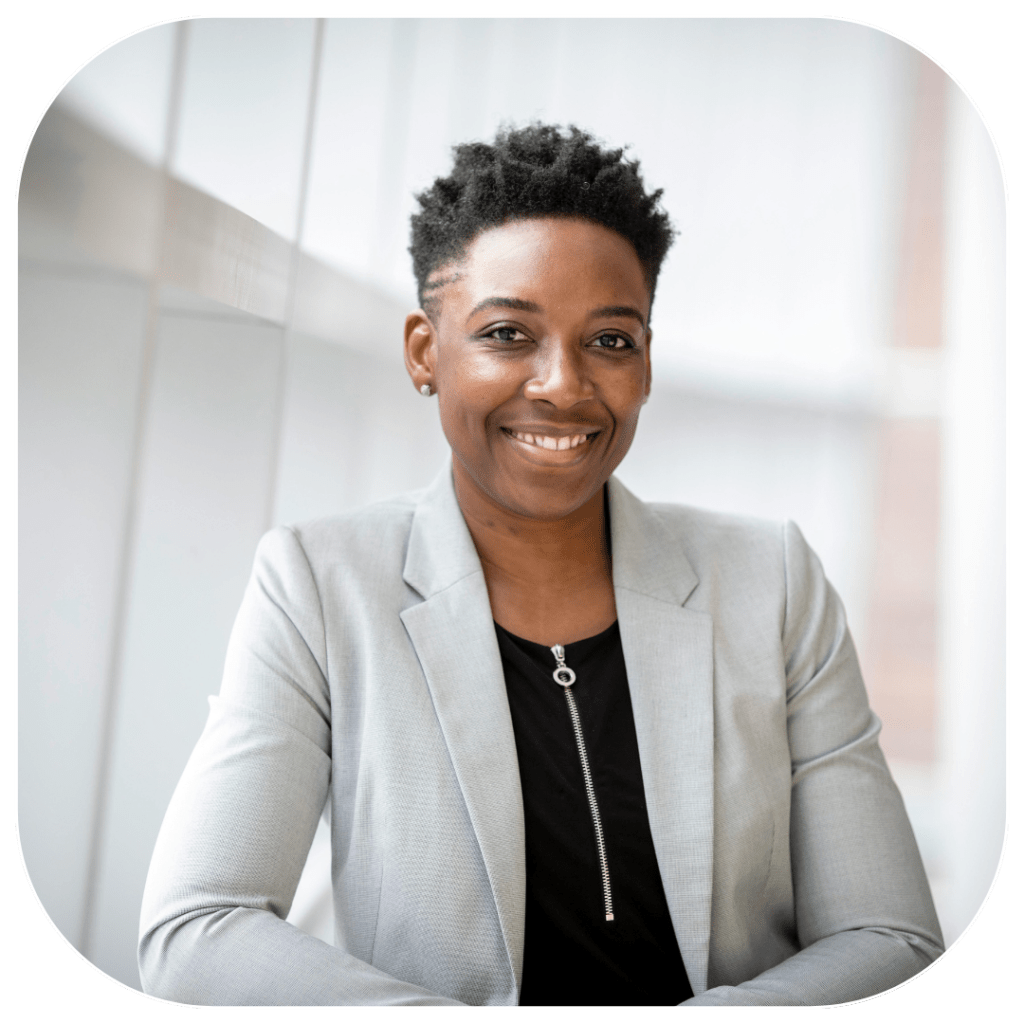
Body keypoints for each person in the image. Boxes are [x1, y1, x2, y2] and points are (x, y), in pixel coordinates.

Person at [138, 124, 943, 1007]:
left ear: (644, 362)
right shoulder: (319, 585)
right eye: (508, 333)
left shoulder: (772, 582)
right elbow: (199, 929)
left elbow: (889, 937)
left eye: (610, 340)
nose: (563, 384)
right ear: (424, 352)